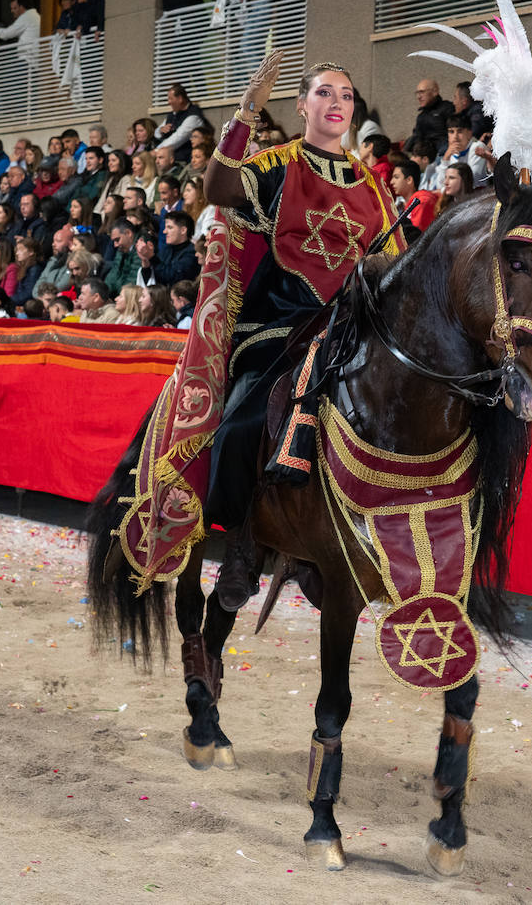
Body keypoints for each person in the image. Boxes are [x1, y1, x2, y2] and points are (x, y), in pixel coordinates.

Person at [202, 55, 406, 606]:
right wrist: (248, 110)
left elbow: (394, 267)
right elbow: (218, 188)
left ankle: (342, 544)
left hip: (350, 332)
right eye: (325, 92)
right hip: (278, 327)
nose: (337, 102)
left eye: (346, 94)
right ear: (301, 104)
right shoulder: (276, 164)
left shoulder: (374, 187)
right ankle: (243, 541)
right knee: (243, 421)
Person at [153, 84, 209, 165]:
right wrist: (160, 130)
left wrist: (156, 151)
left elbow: (177, 138)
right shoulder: (173, 114)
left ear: (180, 99)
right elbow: (156, 133)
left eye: (171, 99)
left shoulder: (193, 116)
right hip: (167, 160)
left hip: (183, 161)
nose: (168, 102)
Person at [408, 78, 456, 155]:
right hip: (427, 154)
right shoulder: (421, 116)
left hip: (444, 151)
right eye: (417, 93)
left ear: (435, 92)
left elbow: (455, 133)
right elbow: (416, 137)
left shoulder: (448, 108)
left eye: (422, 92)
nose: (419, 97)